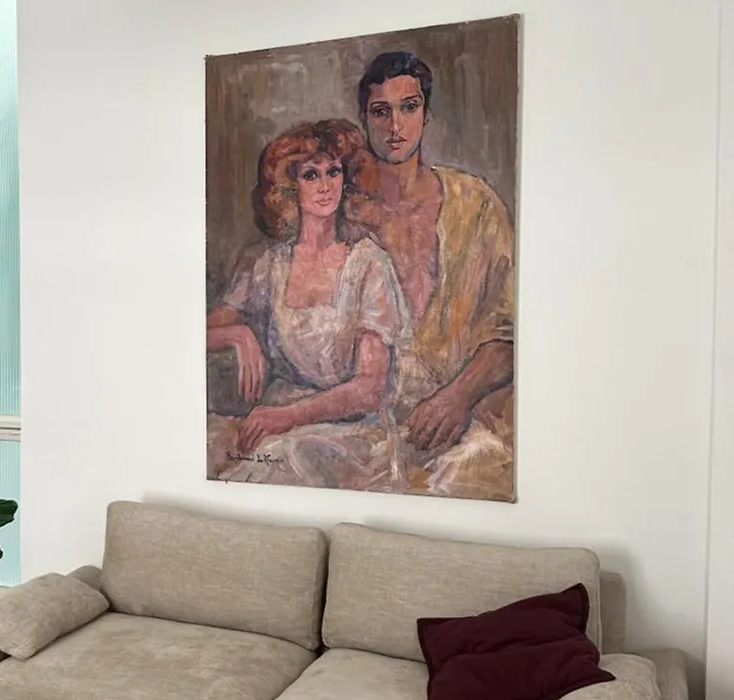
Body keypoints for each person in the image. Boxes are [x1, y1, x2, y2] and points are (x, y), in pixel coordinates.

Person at [206, 119, 412, 490]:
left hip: (347, 433)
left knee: (267, 468)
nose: (325, 186)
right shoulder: (268, 264)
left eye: (333, 172)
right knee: (208, 448)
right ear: (290, 186)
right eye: (311, 175)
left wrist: (285, 417)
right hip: (276, 415)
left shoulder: (368, 263)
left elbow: (369, 389)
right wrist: (237, 335)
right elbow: (191, 334)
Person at [348, 51, 516, 499]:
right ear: (364, 119)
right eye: (380, 111)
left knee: (473, 471)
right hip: (369, 424)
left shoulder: (475, 204)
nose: (395, 126)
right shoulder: (343, 213)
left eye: (409, 107)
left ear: (426, 114)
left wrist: (457, 397)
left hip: (466, 419)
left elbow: (509, 333)